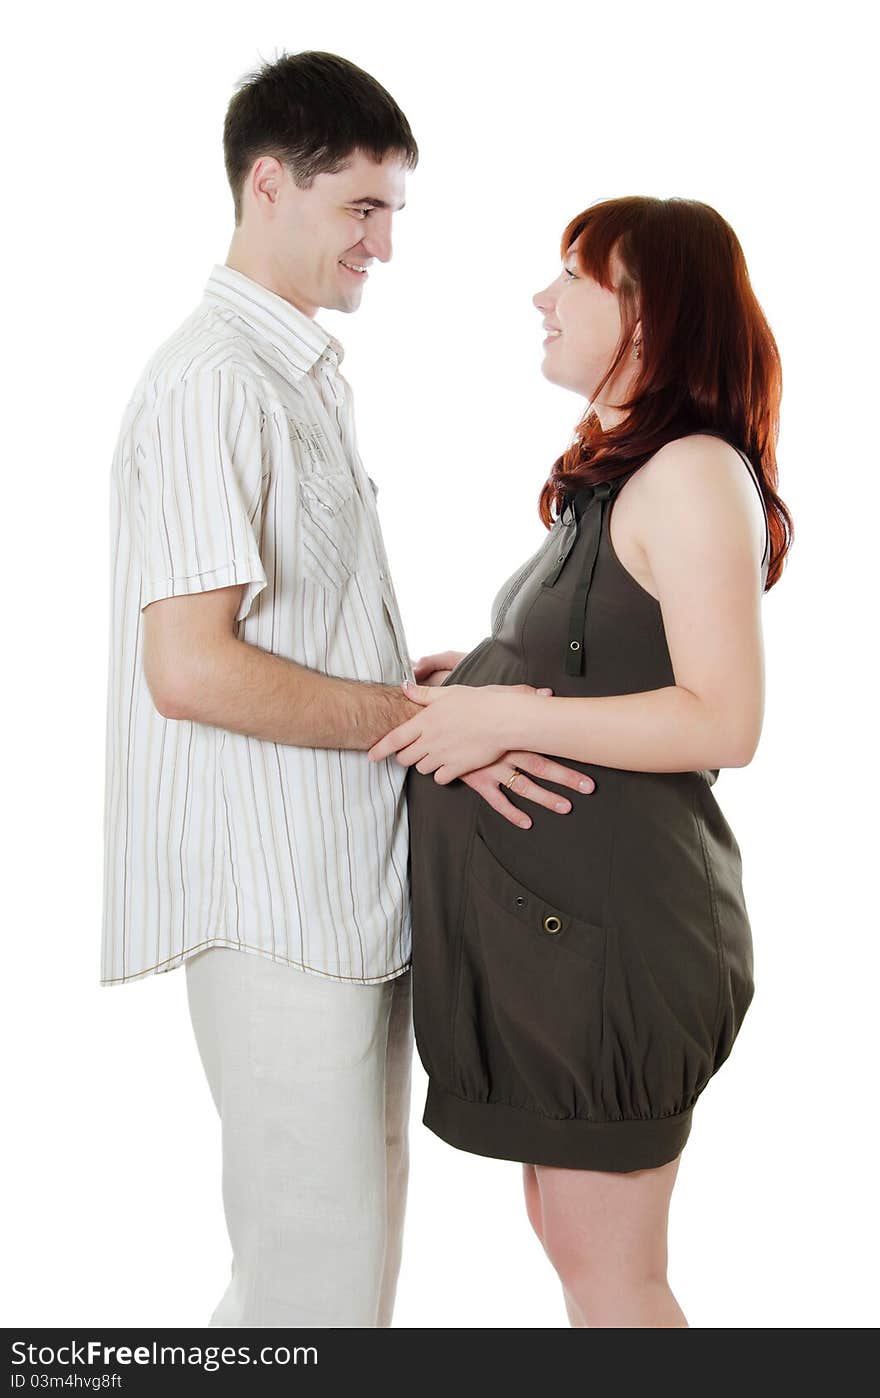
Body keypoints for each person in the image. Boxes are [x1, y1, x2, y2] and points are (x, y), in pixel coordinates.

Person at [100, 49, 591, 1328]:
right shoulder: (217, 381)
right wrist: (431, 727)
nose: (383, 244)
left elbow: (281, 632)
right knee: (309, 1282)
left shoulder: (296, 376)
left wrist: (418, 680)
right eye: (360, 208)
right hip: (272, 904)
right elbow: (190, 668)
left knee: (339, 1268)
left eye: (392, 211)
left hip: (341, 894)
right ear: (269, 185)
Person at [369, 195, 793, 1328]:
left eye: (573, 275)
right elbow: (614, 666)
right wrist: (494, 677)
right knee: (578, 1252)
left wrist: (509, 714)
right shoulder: (620, 480)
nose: (541, 300)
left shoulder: (693, 471)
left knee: (613, 1278)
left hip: (619, 944)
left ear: (647, 311)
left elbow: (722, 721)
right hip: (569, 948)